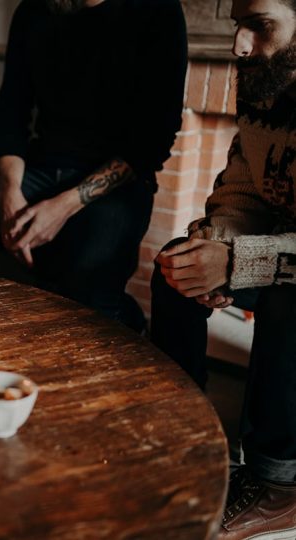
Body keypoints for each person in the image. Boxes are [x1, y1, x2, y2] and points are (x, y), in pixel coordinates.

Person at [0, 0, 187, 331]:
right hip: (35, 171)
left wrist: (62, 207)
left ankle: (123, 317)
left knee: (84, 309)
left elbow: (151, 143)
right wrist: (9, 192)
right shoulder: (33, 11)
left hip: (116, 183)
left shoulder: (159, 10)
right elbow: (10, 118)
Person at [152, 0, 296, 535]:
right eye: (238, 24)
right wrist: (213, 246)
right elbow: (242, 191)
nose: (238, 44)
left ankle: (278, 484)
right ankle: (187, 438)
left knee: (287, 296)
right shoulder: (266, 84)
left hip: (290, 278)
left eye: (259, 27)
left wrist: (238, 262)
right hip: (278, 252)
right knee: (176, 266)